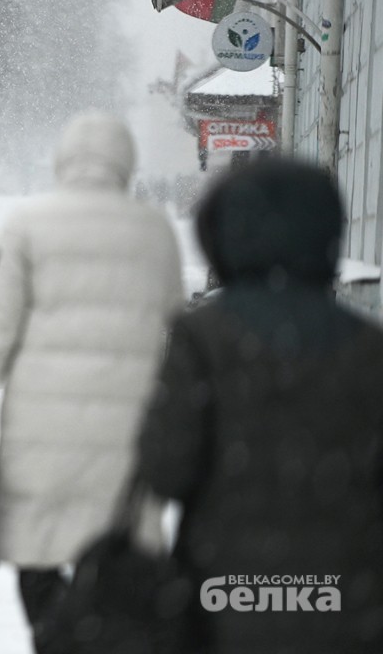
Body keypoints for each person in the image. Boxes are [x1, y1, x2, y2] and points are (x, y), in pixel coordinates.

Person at [0, 110, 184, 652]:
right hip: (126, 434)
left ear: (64, 160)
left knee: (37, 552)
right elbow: (177, 337)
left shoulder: (29, 225)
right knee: (115, 556)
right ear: (124, 163)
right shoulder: (154, 231)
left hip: (40, 432)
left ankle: (51, 635)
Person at [138, 159, 383, 654]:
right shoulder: (369, 347)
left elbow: (164, 467)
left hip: (225, 593)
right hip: (345, 599)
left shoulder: (202, 337)